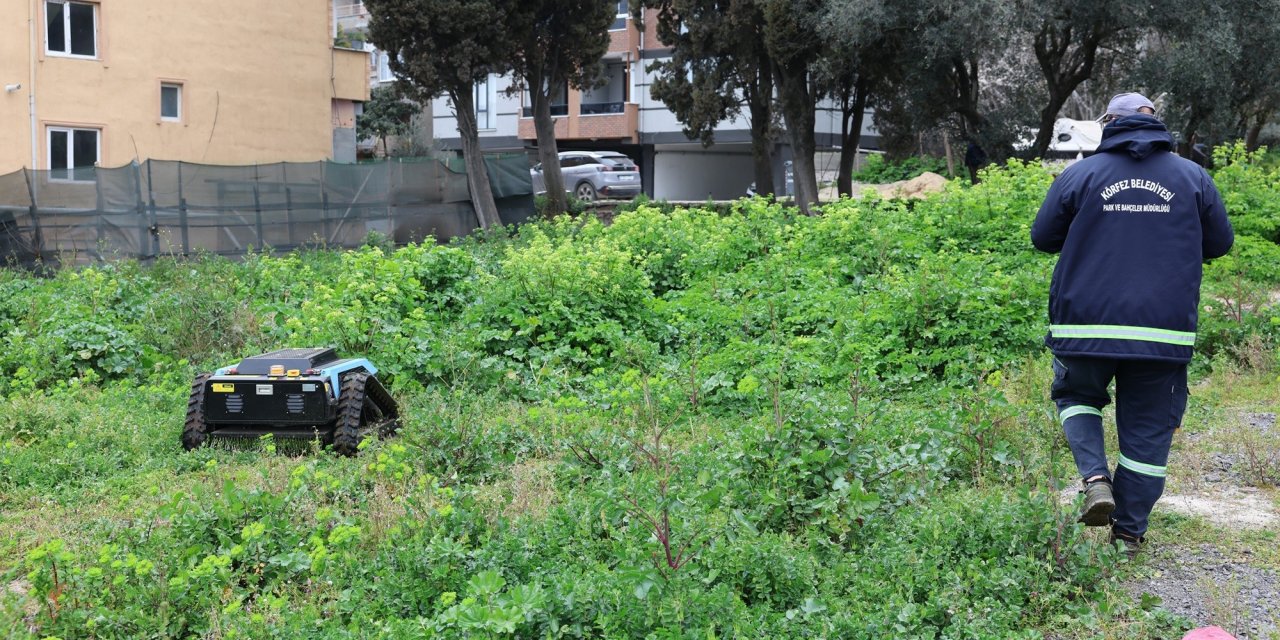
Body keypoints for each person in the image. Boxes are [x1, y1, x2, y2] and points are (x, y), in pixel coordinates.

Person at [1030, 92, 1234, 559]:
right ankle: (1128, 536)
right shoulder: (1193, 177)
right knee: (1147, 435)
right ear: (1155, 123)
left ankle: (1096, 479)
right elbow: (1220, 244)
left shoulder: (1080, 174)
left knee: (1077, 396)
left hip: (1085, 326)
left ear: (1108, 123)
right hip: (1162, 332)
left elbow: (1043, 238)